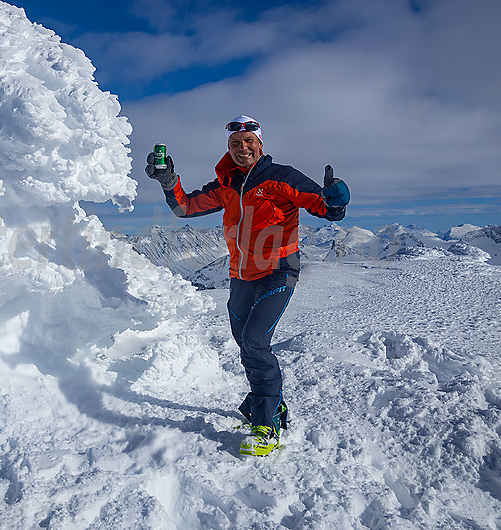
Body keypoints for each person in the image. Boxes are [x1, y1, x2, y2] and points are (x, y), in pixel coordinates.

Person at [145, 115, 350, 456]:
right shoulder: (225, 183)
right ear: (229, 148)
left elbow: (326, 209)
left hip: (279, 271)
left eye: (248, 142)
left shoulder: (281, 177)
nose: (242, 148)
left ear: (260, 144)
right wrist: (168, 182)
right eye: (235, 144)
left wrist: (336, 199)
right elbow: (184, 208)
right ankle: (271, 404)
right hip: (240, 274)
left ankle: (266, 426)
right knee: (245, 343)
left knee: (255, 340)